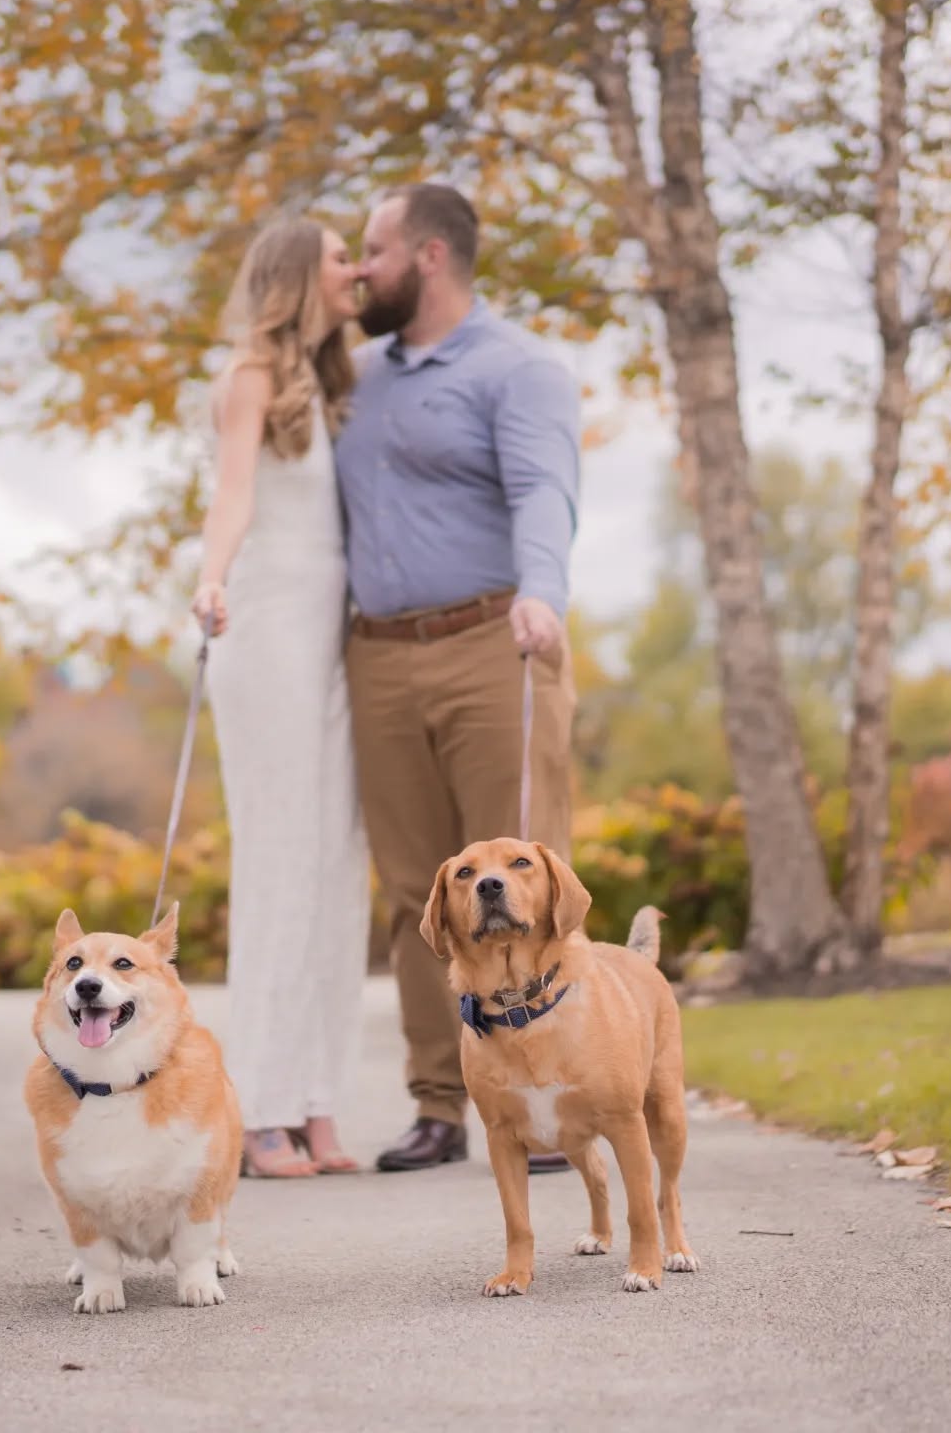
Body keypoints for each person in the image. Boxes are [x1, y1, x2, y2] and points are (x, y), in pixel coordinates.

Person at [335, 183, 581, 1174]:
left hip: (494, 642)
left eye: (374, 250)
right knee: (415, 893)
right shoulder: (352, 376)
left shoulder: (519, 368)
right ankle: (440, 1103)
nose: (360, 270)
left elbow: (544, 489)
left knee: (527, 883)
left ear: (429, 255)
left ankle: (550, 1098)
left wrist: (544, 594)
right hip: (377, 655)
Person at [191, 217, 372, 1178]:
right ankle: (259, 1108)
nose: (358, 270)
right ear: (300, 274)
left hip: (334, 641)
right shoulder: (249, 377)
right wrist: (211, 577)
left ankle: (317, 1102)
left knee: (336, 865)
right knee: (279, 862)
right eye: (342, 257)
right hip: (266, 635)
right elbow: (234, 496)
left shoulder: (333, 383)